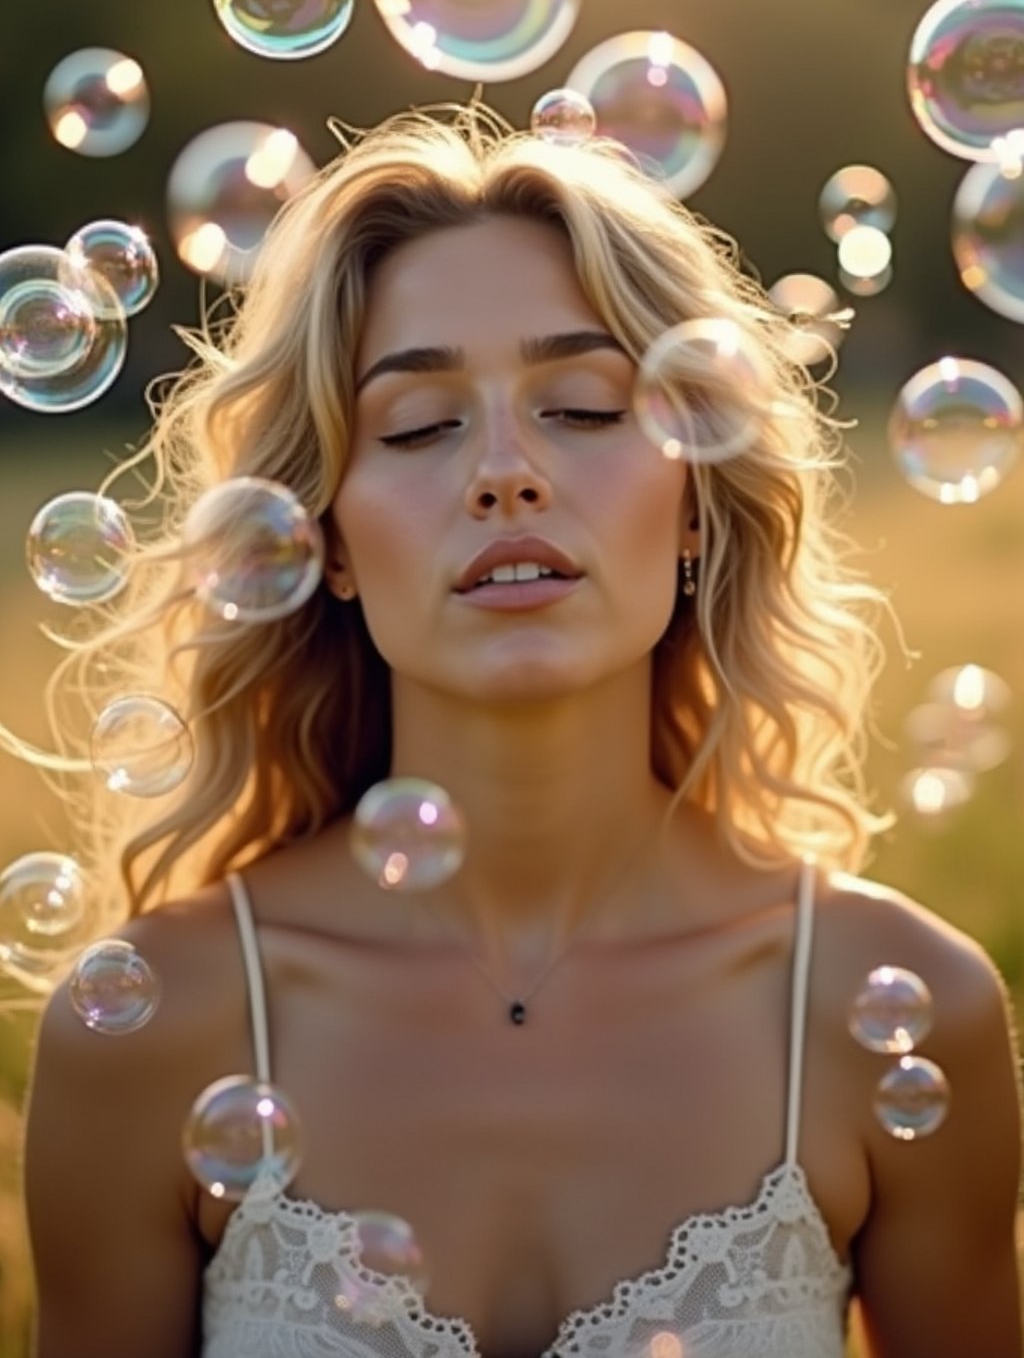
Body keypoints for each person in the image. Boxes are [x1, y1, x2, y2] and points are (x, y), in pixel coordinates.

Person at [17, 106, 1023, 1358]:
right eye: (420, 424)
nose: (504, 472)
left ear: (699, 500)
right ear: (319, 538)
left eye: (588, 408)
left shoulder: (905, 1011)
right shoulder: (163, 1023)